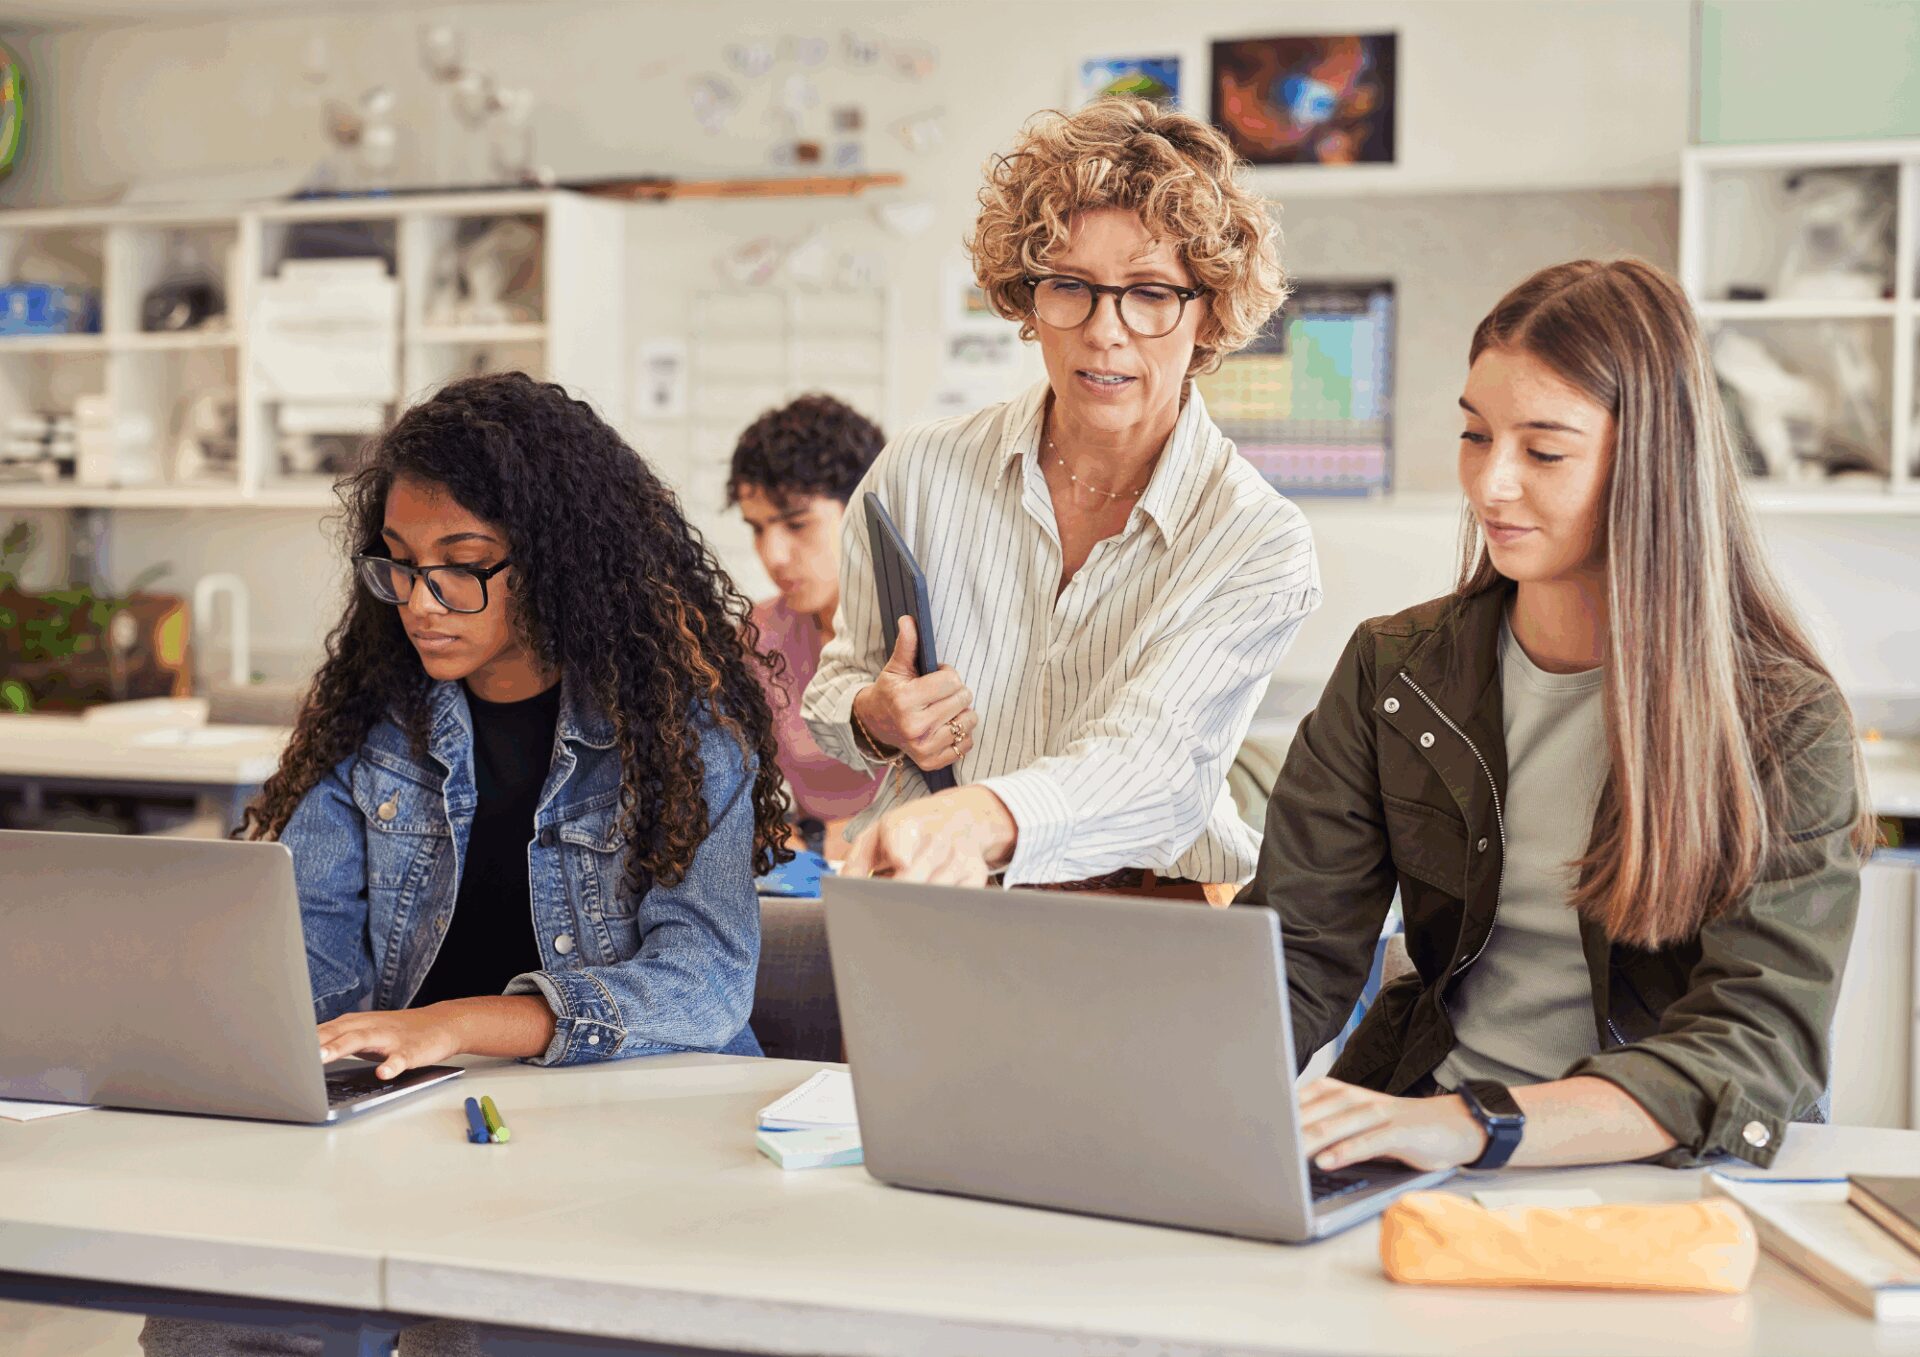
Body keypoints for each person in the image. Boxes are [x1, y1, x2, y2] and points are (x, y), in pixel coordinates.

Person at [1241, 259, 1874, 1175]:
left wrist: (1477, 1123)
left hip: (1662, 1175)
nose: (1491, 485)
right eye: (1473, 435)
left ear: (1651, 461)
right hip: (1423, 1152)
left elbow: (1754, 1043)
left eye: (1543, 451)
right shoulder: (1395, 670)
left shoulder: (1780, 720)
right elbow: (1295, 958)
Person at [804, 98, 1319, 897]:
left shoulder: (1257, 539)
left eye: (1150, 293)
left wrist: (982, 817)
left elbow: (1153, 764)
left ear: (1209, 310)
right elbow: (837, 691)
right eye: (1071, 286)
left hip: (1152, 909)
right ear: (1026, 294)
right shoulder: (917, 472)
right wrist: (876, 714)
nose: (1105, 330)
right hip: (937, 898)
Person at [728, 393, 888, 855]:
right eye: (757, 528)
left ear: (863, 513)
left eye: (796, 525)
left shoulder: (926, 625)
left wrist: (813, 842)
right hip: (808, 873)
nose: (773, 555)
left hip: (920, 875)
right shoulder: (759, 636)